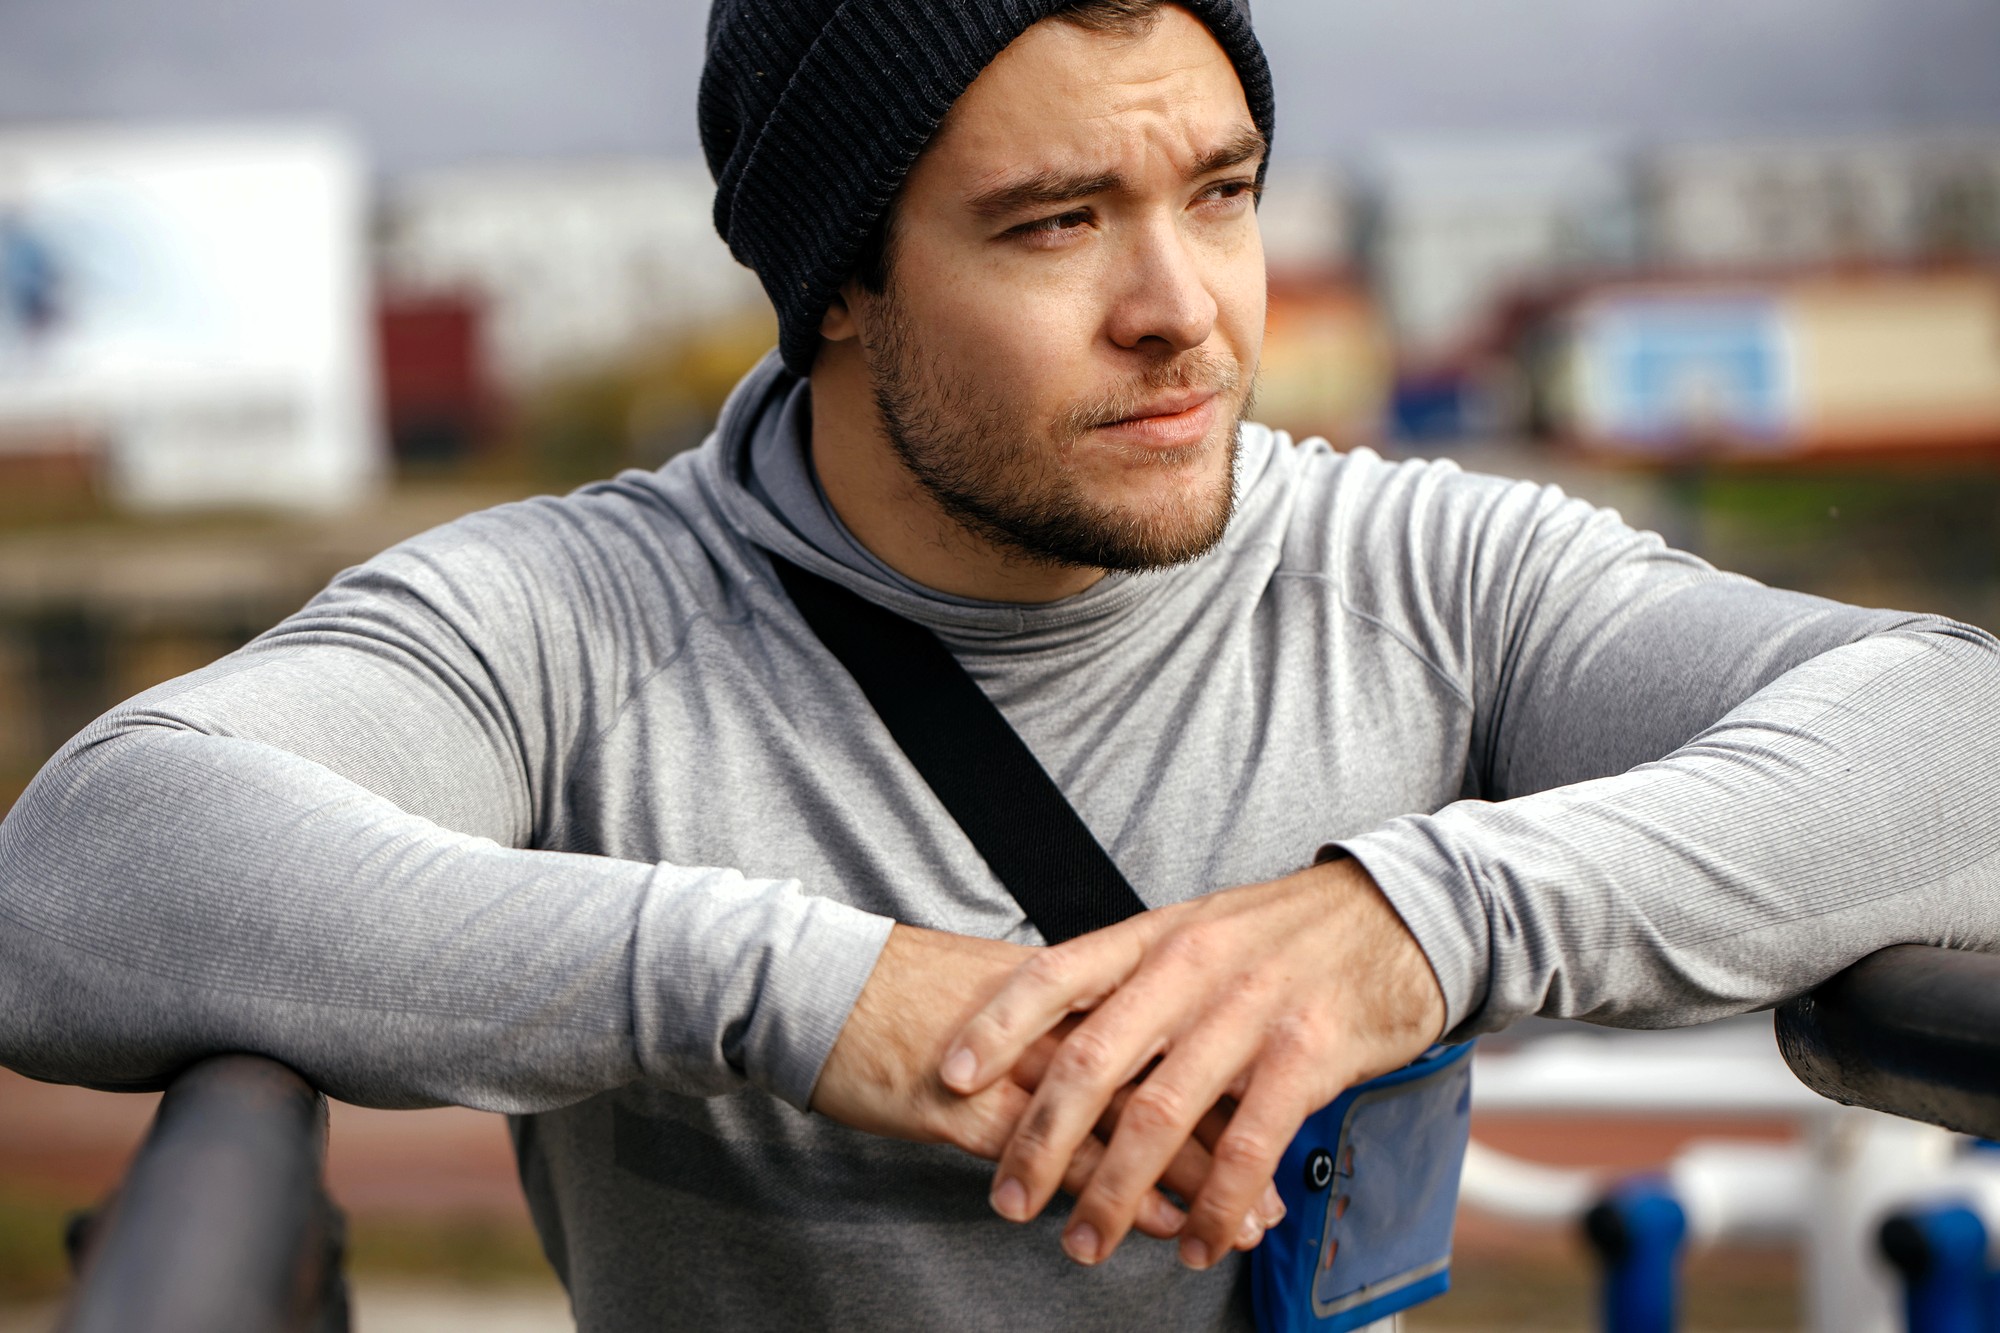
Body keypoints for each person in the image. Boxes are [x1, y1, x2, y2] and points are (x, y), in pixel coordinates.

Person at [2, 0, 1997, 1328]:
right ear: (843, 284)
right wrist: (797, 987)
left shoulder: (1423, 567)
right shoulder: (581, 621)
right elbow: (87, 867)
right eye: (1054, 224)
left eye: (1219, 194)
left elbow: (1954, 734)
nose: (1186, 314)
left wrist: (1420, 920)